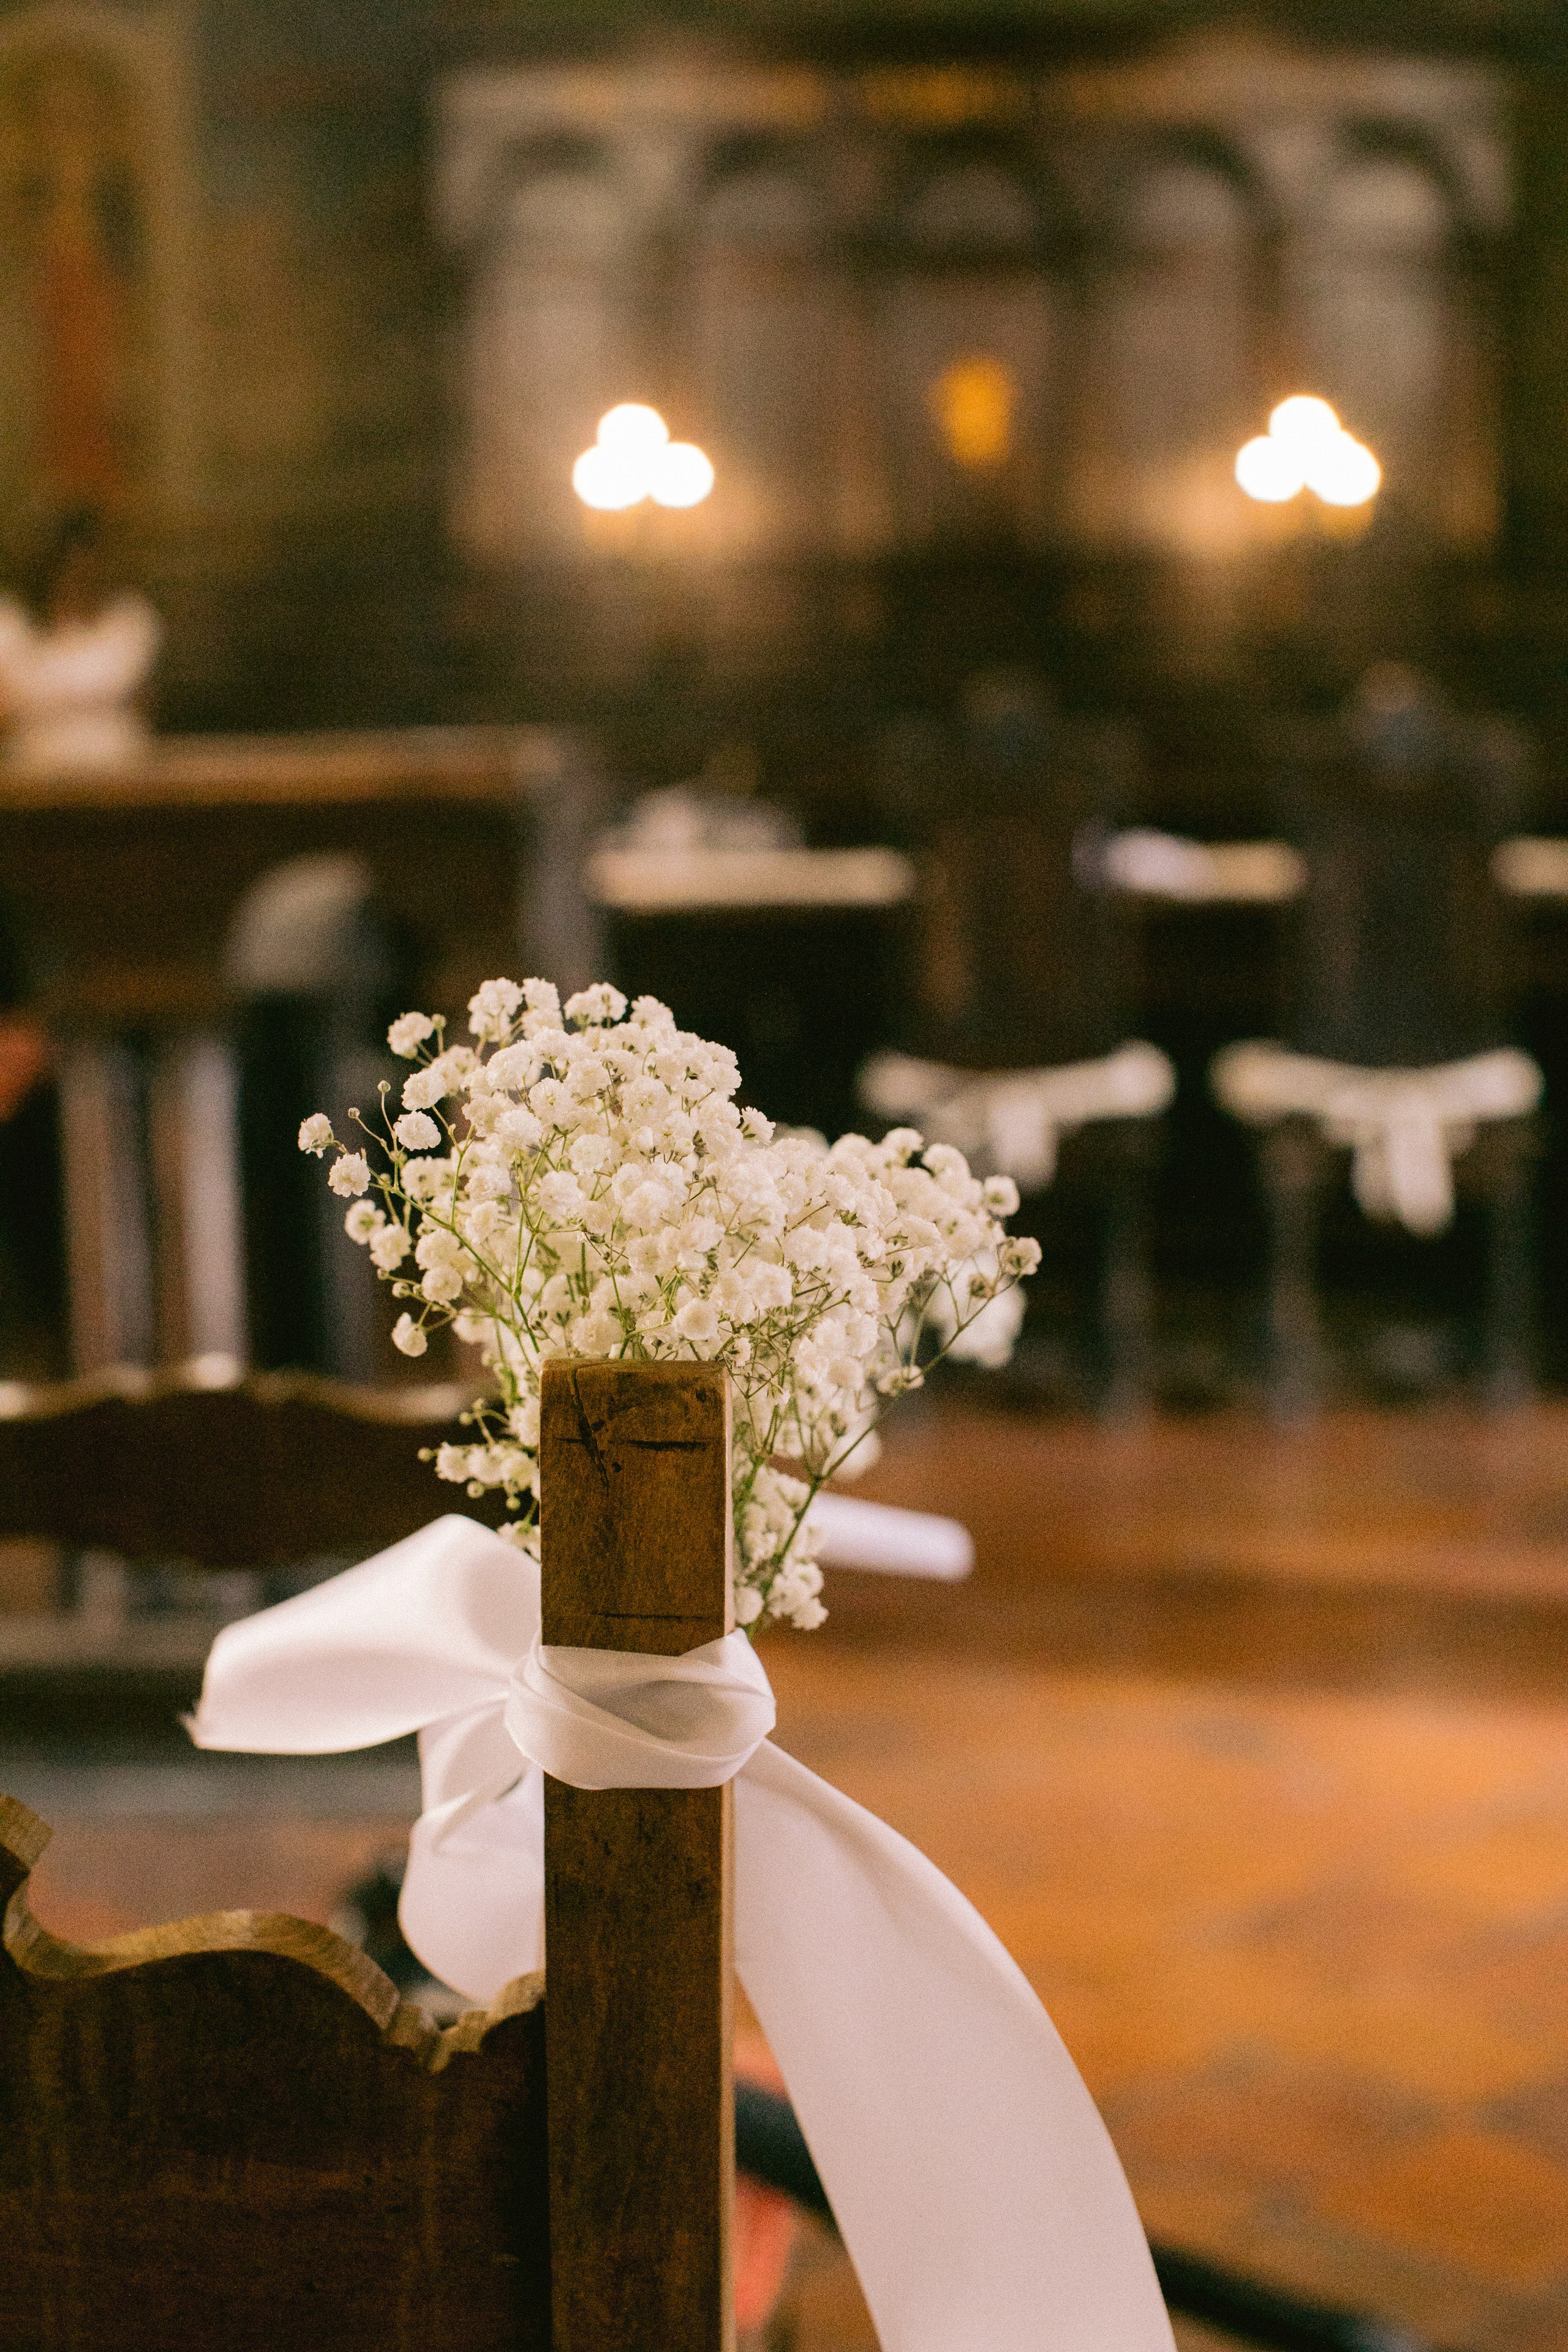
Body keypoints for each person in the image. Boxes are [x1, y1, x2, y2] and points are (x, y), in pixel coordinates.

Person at [0, 508, 160, 774]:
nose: (77, 580)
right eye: (68, 569)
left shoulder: (129, 622)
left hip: (118, 772)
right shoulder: (11, 626)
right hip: (30, 774)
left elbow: (140, 702)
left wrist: (41, 701)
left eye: (87, 569)